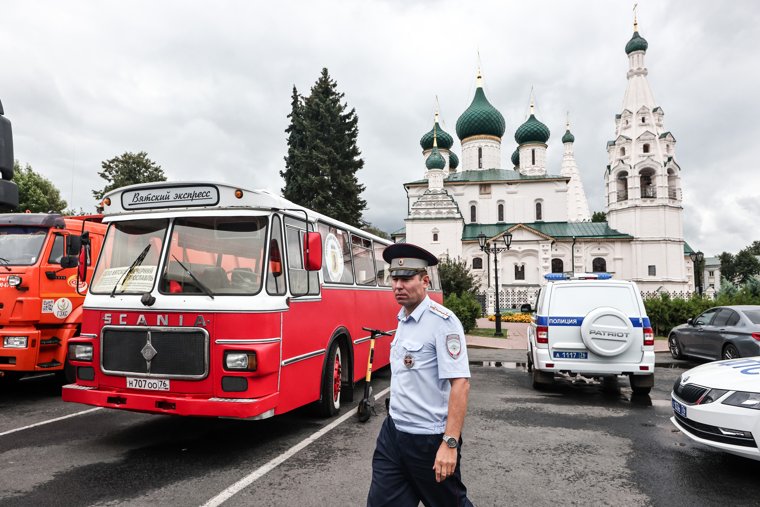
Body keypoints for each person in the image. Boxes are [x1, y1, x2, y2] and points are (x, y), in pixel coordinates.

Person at [367, 243, 473, 507]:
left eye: (406, 278)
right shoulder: (403, 318)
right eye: (394, 278)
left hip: (428, 440)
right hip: (394, 434)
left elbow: (460, 383)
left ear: (425, 281)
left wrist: (450, 443)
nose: (398, 285)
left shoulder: (443, 322)